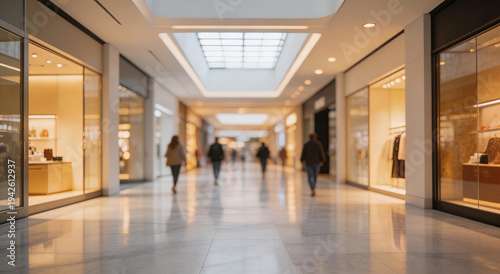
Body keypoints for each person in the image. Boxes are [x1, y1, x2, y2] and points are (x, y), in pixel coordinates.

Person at [300, 133, 326, 197]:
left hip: (309, 163)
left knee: (309, 176)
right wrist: (322, 160)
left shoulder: (306, 144)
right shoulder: (318, 144)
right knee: (315, 176)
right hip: (316, 163)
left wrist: (302, 160)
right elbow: (321, 153)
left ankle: (312, 188)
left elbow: (303, 154)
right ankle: (313, 187)